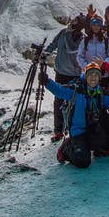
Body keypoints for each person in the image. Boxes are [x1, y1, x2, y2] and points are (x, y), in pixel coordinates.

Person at [40, 62, 109, 168]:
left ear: (99, 78)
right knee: (83, 162)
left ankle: (104, 149)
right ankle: (66, 148)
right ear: (86, 76)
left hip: (93, 129)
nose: (93, 77)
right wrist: (47, 82)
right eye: (90, 74)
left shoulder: (101, 93)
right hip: (79, 132)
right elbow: (60, 90)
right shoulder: (76, 90)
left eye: (96, 75)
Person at [43, 14, 84, 142]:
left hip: (71, 73)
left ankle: (67, 129)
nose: (73, 22)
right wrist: (46, 52)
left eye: (76, 21)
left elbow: (69, 49)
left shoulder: (79, 37)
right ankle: (60, 130)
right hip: (66, 72)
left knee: (68, 102)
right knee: (62, 101)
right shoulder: (65, 33)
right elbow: (54, 44)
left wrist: (68, 34)